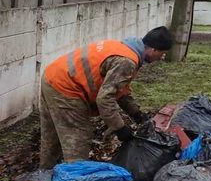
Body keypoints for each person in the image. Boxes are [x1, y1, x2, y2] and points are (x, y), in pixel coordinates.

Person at [38, 26, 174, 168]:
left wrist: (136, 113)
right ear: (154, 49)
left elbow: (118, 89)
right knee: (77, 138)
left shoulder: (124, 47)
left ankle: (43, 176)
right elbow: (105, 99)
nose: (163, 57)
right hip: (66, 88)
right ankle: (75, 180)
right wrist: (120, 128)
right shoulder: (127, 61)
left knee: (51, 138)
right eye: (163, 53)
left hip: (52, 77)